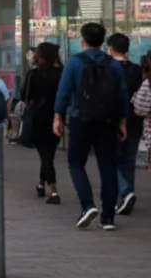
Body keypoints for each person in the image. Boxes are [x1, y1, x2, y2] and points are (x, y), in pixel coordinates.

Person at [53, 22, 129, 230]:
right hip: (108, 122)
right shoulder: (113, 64)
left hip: (81, 120)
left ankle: (87, 205)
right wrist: (122, 121)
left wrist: (58, 117)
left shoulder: (74, 63)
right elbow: (122, 94)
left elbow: (64, 92)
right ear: (103, 41)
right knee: (108, 167)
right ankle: (108, 218)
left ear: (82, 40)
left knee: (76, 163)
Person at [18, 42, 63, 203]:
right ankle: (41, 184)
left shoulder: (34, 74)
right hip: (56, 118)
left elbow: (24, 95)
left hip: (37, 119)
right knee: (48, 153)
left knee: (46, 156)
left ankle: (54, 191)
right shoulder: (61, 73)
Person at [108, 33, 144, 216]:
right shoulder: (136, 70)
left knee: (112, 159)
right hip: (135, 121)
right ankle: (126, 193)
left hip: (113, 121)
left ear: (111, 48)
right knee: (128, 160)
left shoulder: (108, 68)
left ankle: (123, 193)